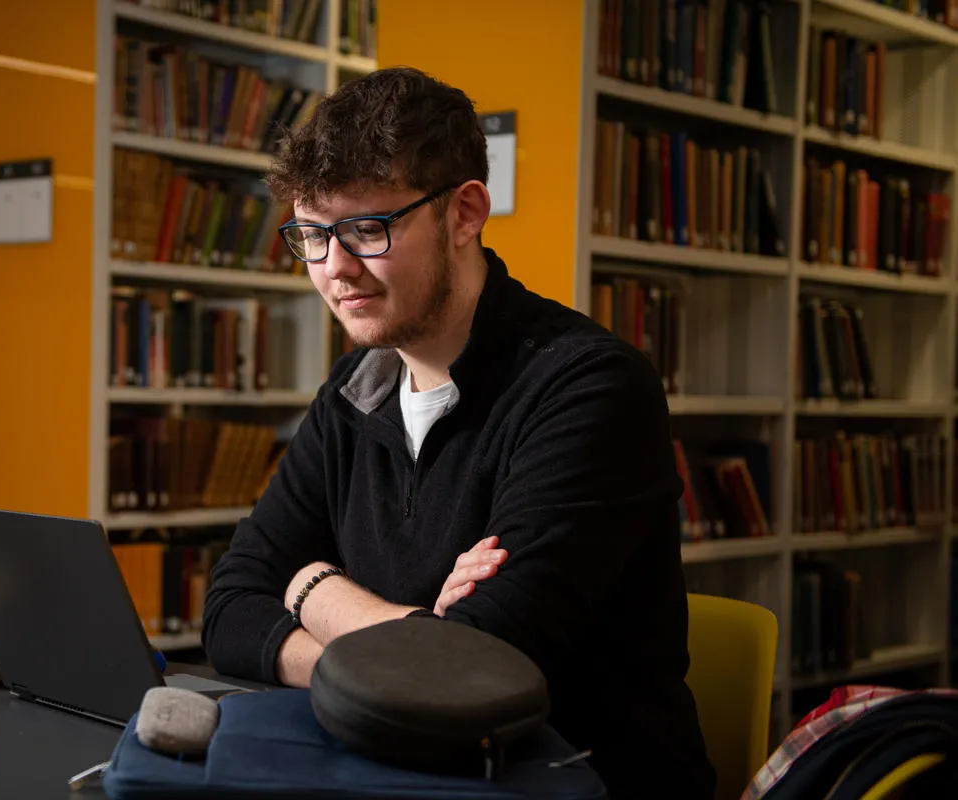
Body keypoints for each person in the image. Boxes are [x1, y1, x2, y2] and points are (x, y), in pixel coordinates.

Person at [200, 66, 717, 800]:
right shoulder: (353, 392)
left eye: (366, 230)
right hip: (392, 771)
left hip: (569, 784)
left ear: (464, 213)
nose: (334, 269)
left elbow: (475, 670)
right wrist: (402, 649)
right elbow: (228, 605)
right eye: (311, 235)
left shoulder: (590, 389)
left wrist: (307, 586)